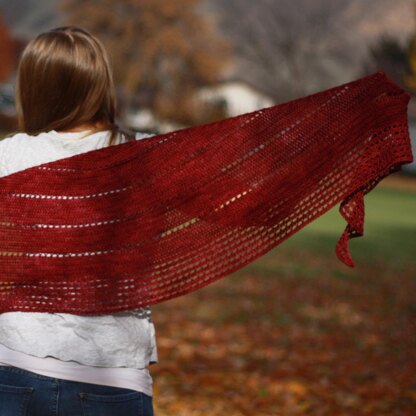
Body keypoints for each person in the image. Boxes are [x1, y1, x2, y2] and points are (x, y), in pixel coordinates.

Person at [0, 26, 156, 416]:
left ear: (34, 88)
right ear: (100, 83)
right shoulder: (145, 156)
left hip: (16, 369)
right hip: (114, 376)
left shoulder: (10, 157)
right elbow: (244, 196)